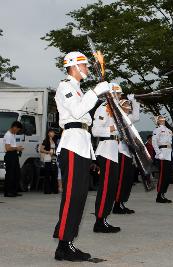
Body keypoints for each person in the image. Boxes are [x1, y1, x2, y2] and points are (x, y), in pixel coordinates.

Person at [53, 51, 110, 262]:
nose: (86, 69)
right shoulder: (65, 86)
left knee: (79, 197)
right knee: (72, 196)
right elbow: (77, 113)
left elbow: (86, 125)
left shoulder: (77, 89)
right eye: (84, 65)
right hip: (72, 145)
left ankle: (66, 242)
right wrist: (95, 92)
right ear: (74, 67)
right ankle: (63, 245)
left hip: (82, 145)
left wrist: (92, 156)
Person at [91, 83, 123, 233]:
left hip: (113, 150)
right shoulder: (104, 108)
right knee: (105, 188)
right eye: (117, 94)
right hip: (106, 151)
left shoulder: (116, 110)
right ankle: (99, 220)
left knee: (111, 188)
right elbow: (95, 130)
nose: (119, 97)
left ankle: (104, 218)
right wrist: (112, 129)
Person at [113, 96, 140, 214]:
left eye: (129, 106)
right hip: (121, 151)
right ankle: (117, 204)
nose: (128, 108)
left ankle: (122, 202)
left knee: (128, 179)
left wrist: (134, 101)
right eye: (126, 106)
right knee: (122, 178)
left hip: (128, 151)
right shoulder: (118, 117)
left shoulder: (128, 118)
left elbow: (136, 116)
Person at [152, 115, 173, 203]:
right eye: (160, 119)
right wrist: (158, 153)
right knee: (162, 175)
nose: (162, 120)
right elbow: (154, 142)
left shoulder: (169, 130)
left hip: (168, 153)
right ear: (157, 121)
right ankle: (159, 195)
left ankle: (163, 194)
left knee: (167, 176)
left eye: (163, 118)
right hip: (162, 153)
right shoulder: (157, 130)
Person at [3, 121, 24, 197]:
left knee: (17, 174)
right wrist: (17, 148)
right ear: (15, 127)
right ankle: (8, 192)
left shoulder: (13, 134)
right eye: (18, 129)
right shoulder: (8, 135)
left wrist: (18, 148)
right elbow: (7, 148)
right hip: (10, 155)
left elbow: (12, 146)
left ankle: (14, 191)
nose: (18, 131)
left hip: (14, 155)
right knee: (10, 174)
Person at [40, 129, 58, 194]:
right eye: (52, 132)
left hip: (53, 158)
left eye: (53, 132)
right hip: (47, 159)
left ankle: (54, 189)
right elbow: (41, 150)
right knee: (47, 175)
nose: (53, 133)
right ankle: (47, 190)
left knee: (54, 174)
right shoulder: (46, 141)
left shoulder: (54, 140)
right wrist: (48, 152)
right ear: (48, 133)